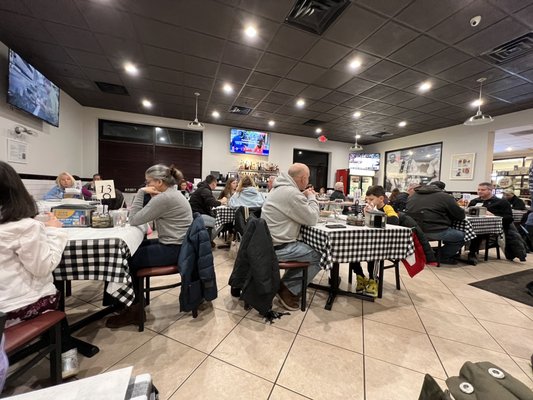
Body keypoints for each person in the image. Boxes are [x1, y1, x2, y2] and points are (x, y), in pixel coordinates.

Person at [0, 161, 79, 378]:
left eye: (67, 179)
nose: (65, 182)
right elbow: (43, 267)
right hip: (12, 308)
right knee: (50, 298)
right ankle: (66, 357)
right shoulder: (24, 226)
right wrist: (54, 231)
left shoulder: (78, 190)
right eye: (62, 179)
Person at [106, 164, 193, 328]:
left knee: (125, 261)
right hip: (179, 245)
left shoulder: (165, 198)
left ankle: (134, 311)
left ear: (159, 182)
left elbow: (134, 219)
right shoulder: (173, 194)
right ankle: (130, 300)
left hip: (174, 248)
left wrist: (140, 193)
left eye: (148, 182)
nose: (146, 186)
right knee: (132, 250)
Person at [262, 163, 321, 311]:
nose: (308, 181)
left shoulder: (279, 188)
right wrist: (312, 197)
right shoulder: (291, 193)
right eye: (307, 178)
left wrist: (304, 197)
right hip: (278, 247)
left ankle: (286, 285)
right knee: (320, 254)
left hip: (268, 243)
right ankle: (287, 289)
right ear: (302, 179)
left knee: (307, 249)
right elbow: (312, 218)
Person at [350, 185, 399, 297]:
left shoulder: (387, 208)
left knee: (373, 254)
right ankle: (360, 276)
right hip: (367, 241)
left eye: (371, 199)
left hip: (382, 244)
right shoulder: (367, 207)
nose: (368, 201)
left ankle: (373, 280)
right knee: (351, 250)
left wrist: (375, 212)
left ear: (381, 199)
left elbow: (395, 220)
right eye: (367, 199)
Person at [407, 182, 466, 265]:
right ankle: (440, 256)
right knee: (462, 236)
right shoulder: (445, 197)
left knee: (452, 234)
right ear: (442, 189)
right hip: (434, 231)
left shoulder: (413, 196)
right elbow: (460, 215)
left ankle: (430, 253)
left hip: (414, 231)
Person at [467, 182, 514, 265]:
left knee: (478, 231)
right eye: (478, 189)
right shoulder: (474, 201)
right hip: (473, 224)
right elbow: (467, 212)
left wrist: (494, 215)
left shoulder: (501, 202)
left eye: (483, 190)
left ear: (490, 190)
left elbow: (509, 218)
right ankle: (452, 251)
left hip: (492, 227)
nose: (480, 191)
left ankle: (472, 253)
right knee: (460, 230)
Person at [189, 175, 227, 241]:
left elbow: (209, 201)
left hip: (195, 213)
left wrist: (218, 201)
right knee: (219, 223)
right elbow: (212, 203)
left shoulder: (202, 188)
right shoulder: (205, 190)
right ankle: (207, 241)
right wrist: (222, 201)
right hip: (197, 215)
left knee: (215, 220)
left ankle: (206, 240)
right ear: (213, 183)